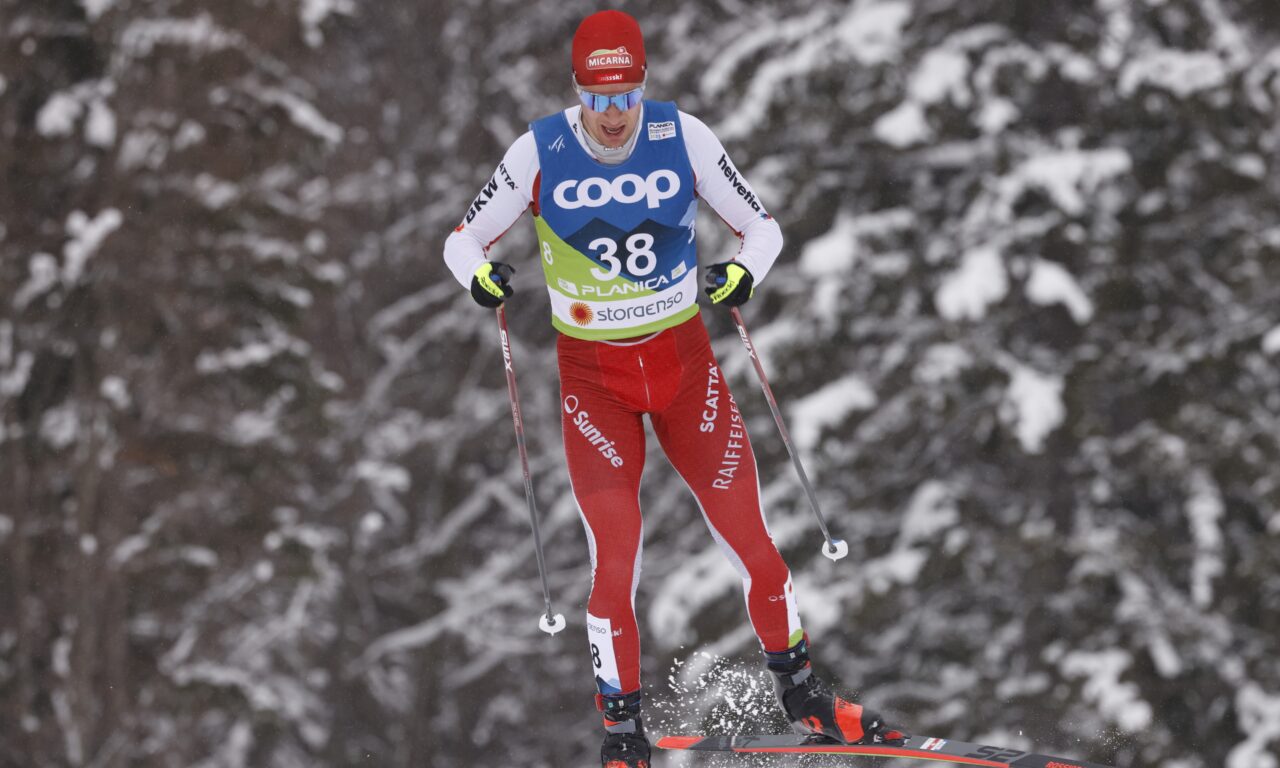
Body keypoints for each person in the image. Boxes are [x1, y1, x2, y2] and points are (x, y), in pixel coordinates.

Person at [443, 10, 906, 767]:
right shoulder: (539, 151)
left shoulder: (681, 136)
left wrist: (740, 272)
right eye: (598, 98)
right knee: (615, 556)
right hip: (594, 381)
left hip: (686, 368)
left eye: (626, 94)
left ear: (644, 86)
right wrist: (480, 275)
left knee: (753, 541)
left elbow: (763, 229)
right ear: (577, 93)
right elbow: (462, 238)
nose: (614, 113)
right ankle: (621, 732)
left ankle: (804, 694)